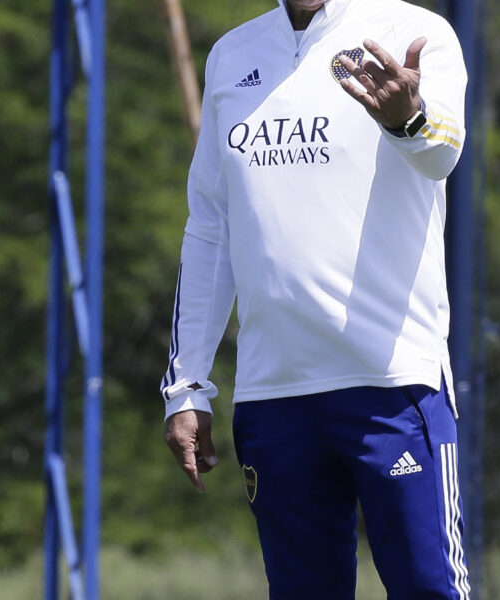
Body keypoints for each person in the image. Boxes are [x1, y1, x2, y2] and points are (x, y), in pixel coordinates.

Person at [160, 0, 470, 597]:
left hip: (393, 384)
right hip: (274, 396)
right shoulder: (232, 55)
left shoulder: (413, 31)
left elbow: (443, 153)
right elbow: (210, 228)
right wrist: (187, 383)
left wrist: (408, 120)